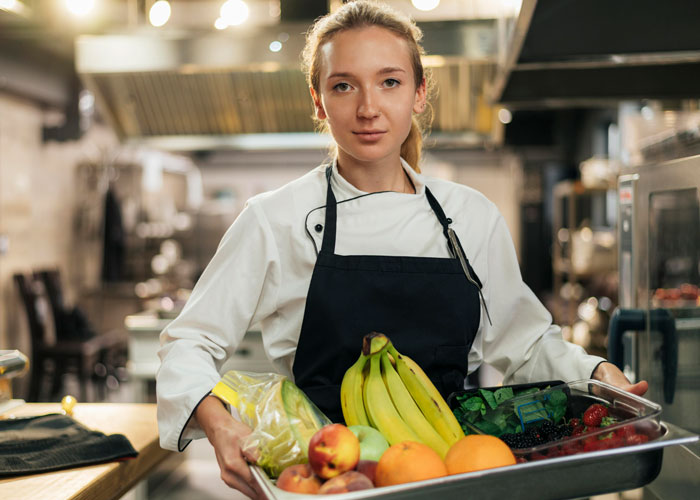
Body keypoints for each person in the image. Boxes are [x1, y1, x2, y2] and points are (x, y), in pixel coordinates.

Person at [156, 1, 647, 498]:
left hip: (453, 468)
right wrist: (220, 427)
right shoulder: (274, 219)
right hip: (325, 478)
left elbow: (527, 343)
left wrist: (597, 374)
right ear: (319, 100)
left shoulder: (470, 217)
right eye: (344, 85)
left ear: (418, 93)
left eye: (389, 81)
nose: (368, 107)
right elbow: (189, 342)